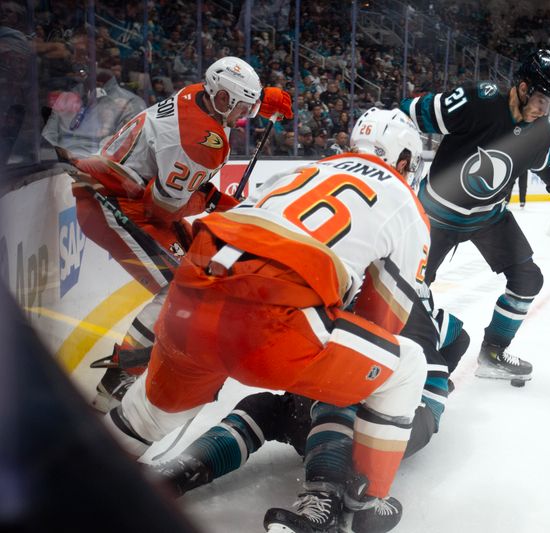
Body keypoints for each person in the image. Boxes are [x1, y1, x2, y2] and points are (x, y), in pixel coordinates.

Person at [105, 108, 430, 532]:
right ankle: (367, 500)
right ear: (404, 160)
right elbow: (382, 320)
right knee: (406, 366)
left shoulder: (304, 170)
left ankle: (76, 483)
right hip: (277, 318)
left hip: (195, 288)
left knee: (147, 417)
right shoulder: (405, 202)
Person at [67, 56, 292, 410]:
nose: (245, 116)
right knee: (180, 287)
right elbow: (164, 209)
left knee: (201, 269)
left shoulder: (199, 95)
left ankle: (154, 354)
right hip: (111, 202)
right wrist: (216, 203)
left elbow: (225, 99)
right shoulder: (200, 141)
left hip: (127, 192)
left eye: (250, 107)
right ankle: (117, 381)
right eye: (243, 108)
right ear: (223, 100)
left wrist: (263, 100)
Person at [156, 288, 468, 533]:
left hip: (377, 416)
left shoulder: (358, 294)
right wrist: (443, 378)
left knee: (315, 394)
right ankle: (184, 469)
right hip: (410, 423)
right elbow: (461, 337)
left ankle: (326, 503)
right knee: (269, 406)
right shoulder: (432, 314)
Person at [399, 49, 550, 382]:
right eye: (543, 101)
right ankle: (404, 356)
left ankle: (493, 353)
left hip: (489, 217)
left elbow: (545, 161)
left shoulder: (540, 128)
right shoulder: (475, 101)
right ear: (523, 88)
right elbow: (406, 114)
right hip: (434, 215)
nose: (546, 112)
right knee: (405, 287)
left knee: (528, 280)